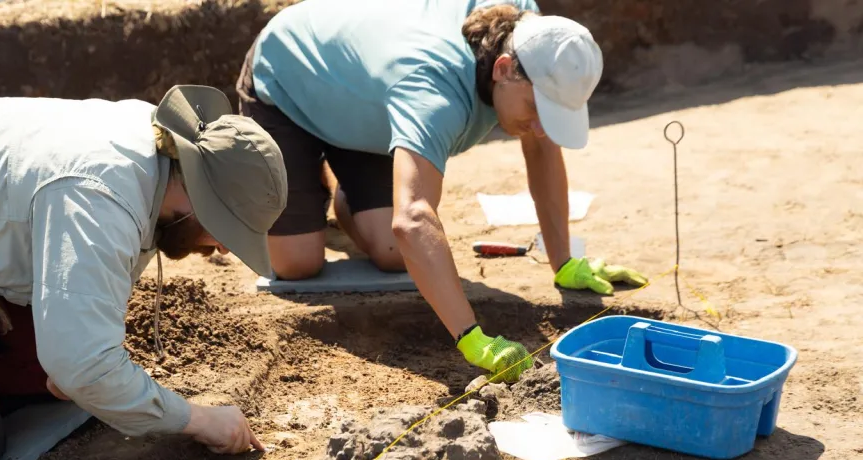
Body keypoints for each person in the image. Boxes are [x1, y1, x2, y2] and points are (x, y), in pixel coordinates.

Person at [0, 85, 287, 460]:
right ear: (198, 197)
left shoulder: (154, 158)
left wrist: (78, 370)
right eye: (224, 229)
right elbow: (83, 367)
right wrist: (196, 419)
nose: (225, 249)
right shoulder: (100, 196)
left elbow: (72, 363)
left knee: (44, 376)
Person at [238, 0, 648, 383]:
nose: (541, 127)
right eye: (538, 110)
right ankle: (311, 187)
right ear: (503, 69)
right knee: (297, 261)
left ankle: (350, 200)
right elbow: (413, 218)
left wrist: (564, 262)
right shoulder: (432, 92)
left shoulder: (534, 35)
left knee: (395, 253)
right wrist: (472, 338)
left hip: (367, 105)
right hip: (290, 80)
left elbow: (542, 148)